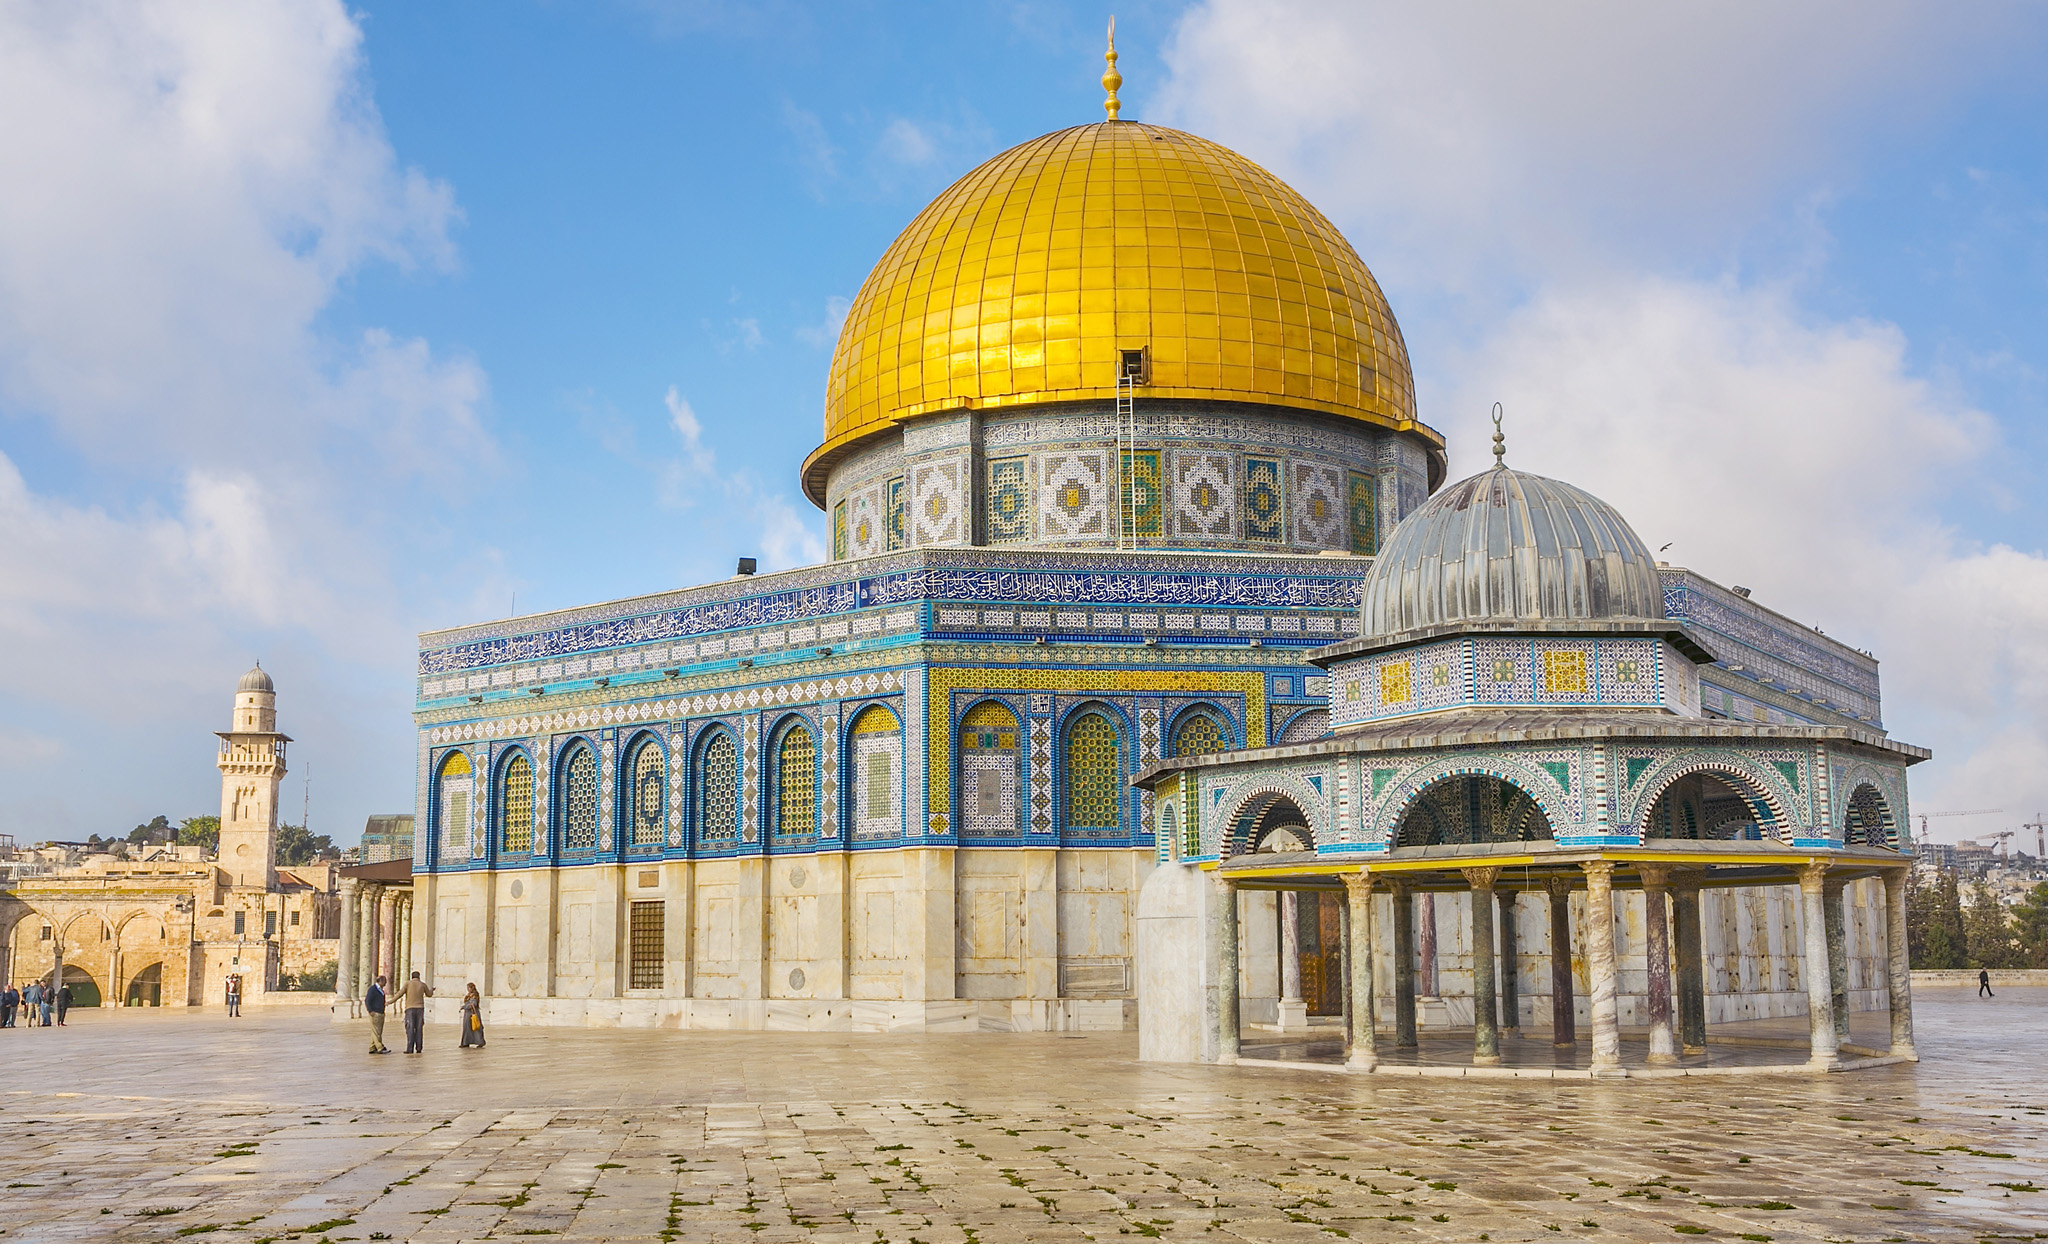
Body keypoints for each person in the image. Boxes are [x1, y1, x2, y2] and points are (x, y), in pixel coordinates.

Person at [400, 971, 434, 1054]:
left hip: (410, 1009)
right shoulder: (422, 985)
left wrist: (390, 1002)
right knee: (419, 1028)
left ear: (412, 976)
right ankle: (419, 1047)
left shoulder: (407, 984)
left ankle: (409, 1048)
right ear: (419, 976)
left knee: (410, 1028)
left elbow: (399, 994)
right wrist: (432, 990)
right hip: (420, 1009)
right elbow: (429, 994)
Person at [364, 974, 390, 1054]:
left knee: (377, 1031)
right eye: (385, 981)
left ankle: (372, 1047)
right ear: (380, 981)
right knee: (376, 1031)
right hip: (375, 1012)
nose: (386, 983)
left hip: (380, 1012)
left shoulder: (381, 990)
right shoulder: (373, 989)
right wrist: (370, 1010)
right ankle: (380, 1047)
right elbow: (367, 1000)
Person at [458, 982, 485, 1049]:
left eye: (469, 988)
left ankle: (480, 1041)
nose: (468, 989)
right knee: (466, 1028)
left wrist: (465, 1007)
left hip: (472, 1013)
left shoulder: (475, 995)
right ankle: (465, 1042)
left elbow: (474, 1004)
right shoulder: (469, 995)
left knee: (476, 1027)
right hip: (467, 1014)